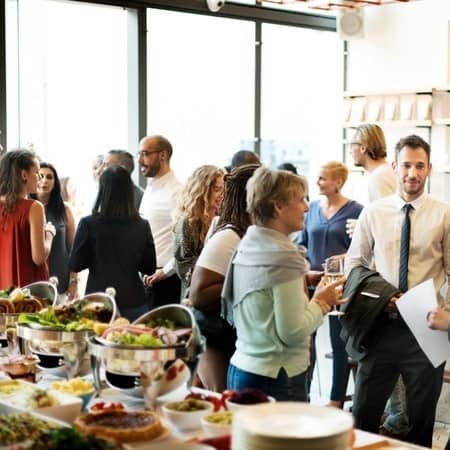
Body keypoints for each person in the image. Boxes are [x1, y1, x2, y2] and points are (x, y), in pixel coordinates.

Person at [345, 134, 450, 447]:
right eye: (406, 165)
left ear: (429, 168)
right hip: (380, 325)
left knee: (419, 426)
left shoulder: (444, 214)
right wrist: (383, 297)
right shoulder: (373, 212)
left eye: (419, 166)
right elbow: (355, 264)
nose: (412, 174)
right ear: (394, 166)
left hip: (426, 330)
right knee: (364, 416)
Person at [222, 166, 346, 401]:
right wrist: (322, 302)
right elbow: (292, 332)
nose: (307, 207)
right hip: (277, 376)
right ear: (278, 207)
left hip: (242, 367)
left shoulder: (248, 245)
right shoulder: (282, 258)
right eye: (300, 200)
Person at [349, 124, 404, 437]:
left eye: (354, 143)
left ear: (365, 145)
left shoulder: (378, 177)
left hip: (384, 283)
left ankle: (395, 423)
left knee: (386, 355)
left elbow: (390, 225)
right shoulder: (382, 175)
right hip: (387, 280)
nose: (351, 149)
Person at [298, 161, 363, 408]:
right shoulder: (311, 209)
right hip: (310, 284)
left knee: (339, 344)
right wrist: (305, 270)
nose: (318, 183)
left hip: (340, 287)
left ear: (339, 182)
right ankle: (302, 395)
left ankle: (336, 399)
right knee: (306, 342)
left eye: (323, 178)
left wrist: (344, 259)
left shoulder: (357, 211)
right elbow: (301, 244)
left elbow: (363, 249)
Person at [189, 164, 259, 392]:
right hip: (215, 336)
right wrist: (250, 283)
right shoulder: (229, 235)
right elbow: (199, 294)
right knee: (224, 400)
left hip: (230, 335)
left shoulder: (248, 232)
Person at [69, 165, 156, 321]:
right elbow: (149, 268)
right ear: (129, 191)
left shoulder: (88, 223)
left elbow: (76, 264)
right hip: (134, 300)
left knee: (96, 344)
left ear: (102, 190)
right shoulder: (142, 225)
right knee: (133, 344)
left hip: (97, 301)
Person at [138, 135, 183, 307]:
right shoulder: (150, 188)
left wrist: (166, 271)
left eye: (145, 154)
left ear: (163, 155)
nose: (140, 161)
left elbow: (185, 239)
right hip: (147, 277)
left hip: (165, 279)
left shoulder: (177, 191)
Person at [0, 149, 55, 287]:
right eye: (37, 173)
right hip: (29, 288)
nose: (40, 179)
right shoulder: (34, 207)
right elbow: (39, 258)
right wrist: (49, 235)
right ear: (24, 175)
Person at [173, 165, 225, 300]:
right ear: (202, 191)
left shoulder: (224, 219)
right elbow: (183, 266)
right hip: (194, 296)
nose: (222, 195)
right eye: (217, 189)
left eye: (224, 190)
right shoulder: (187, 223)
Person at [32, 162, 78, 299]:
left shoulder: (65, 210)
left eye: (49, 177)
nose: (44, 180)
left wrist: (74, 281)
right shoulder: (26, 209)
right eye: (40, 176)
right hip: (32, 282)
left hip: (61, 283)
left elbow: (74, 250)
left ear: (55, 183)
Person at [350, 123, 397, 202]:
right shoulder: (387, 171)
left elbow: (383, 213)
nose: (350, 151)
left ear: (363, 148)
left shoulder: (379, 177)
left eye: (352, 145)